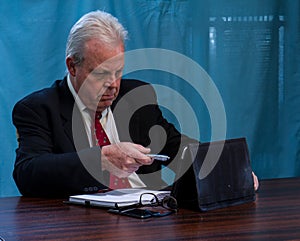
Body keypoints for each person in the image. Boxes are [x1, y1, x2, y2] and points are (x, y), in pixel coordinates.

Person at [12, 10, 258, 197]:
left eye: (118, 72)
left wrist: (229, 172)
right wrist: (99, 158)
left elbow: (177, 147)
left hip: (148, 216)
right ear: (72, 66)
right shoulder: (38, 109)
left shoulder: (137, 95)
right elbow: (28, 173)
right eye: (100, 74)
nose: (113, 85)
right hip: (81, 224)